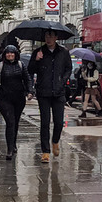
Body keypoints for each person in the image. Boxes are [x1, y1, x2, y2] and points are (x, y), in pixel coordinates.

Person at [27, 30, 72, 163]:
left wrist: (62, 81)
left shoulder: (63, 52)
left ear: (56, 38)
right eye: (47, 36)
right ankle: (45, 151)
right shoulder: (38, 52)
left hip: (59, 92)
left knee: (59, 122)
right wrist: (36, 60)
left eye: (51, 36)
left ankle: (55, 141)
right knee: (44, 123)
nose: (49, 39)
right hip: (43, 92)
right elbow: (30, 70)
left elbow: (68, 69)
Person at [0, 45, 33, 159]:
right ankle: (9, 149)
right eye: (7, 53)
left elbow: (27, 79)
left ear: (15, 54)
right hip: (4, 98)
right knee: (10, 122)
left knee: (15, 121)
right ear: (4, 54)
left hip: (18, 98)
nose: (10, 54)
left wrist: (30, 91)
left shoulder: (21, 65)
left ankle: (13, 144)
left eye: (12, 53)